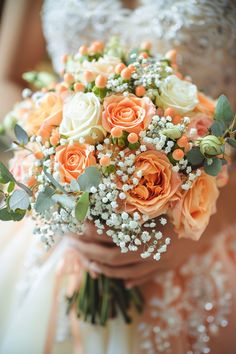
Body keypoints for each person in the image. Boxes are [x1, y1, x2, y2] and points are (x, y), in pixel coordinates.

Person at [0, 1, 236, 353]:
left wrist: (203, 223)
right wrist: (57, 175)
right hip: (61, 226)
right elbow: (7, 78)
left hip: (206, 221)